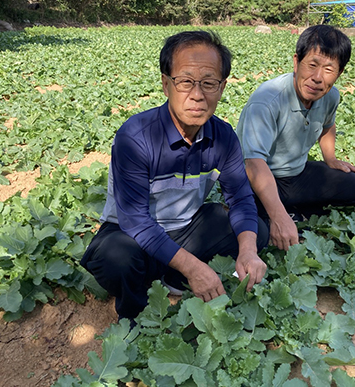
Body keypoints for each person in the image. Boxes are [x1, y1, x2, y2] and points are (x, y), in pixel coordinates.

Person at [81, 30, 268, 322]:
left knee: (256, 231)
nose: (197, 94)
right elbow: (135, 220)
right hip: (130, 234)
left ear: (221, 87)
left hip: (185, 230)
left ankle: (170, 272)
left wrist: (248, 251)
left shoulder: (223, 137)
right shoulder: (136, 136)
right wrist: (194, 268)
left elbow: (241, 197)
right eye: (185, 82)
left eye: (208, 83)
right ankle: (136, 314)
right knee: (117, 259)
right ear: (166, 84)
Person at [236, 25, 355, 251]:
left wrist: (331, 159)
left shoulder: (330, 97)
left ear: (339, 74)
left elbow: (328, 125)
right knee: (257, 232)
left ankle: (289, 211)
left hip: (296, 175)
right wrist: (279, 217)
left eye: (329, 69)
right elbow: (253, 164)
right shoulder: (267, 100)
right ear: (296, 62)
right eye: (312, 65)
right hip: (256, 179)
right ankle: (282, 213)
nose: (317, 78)